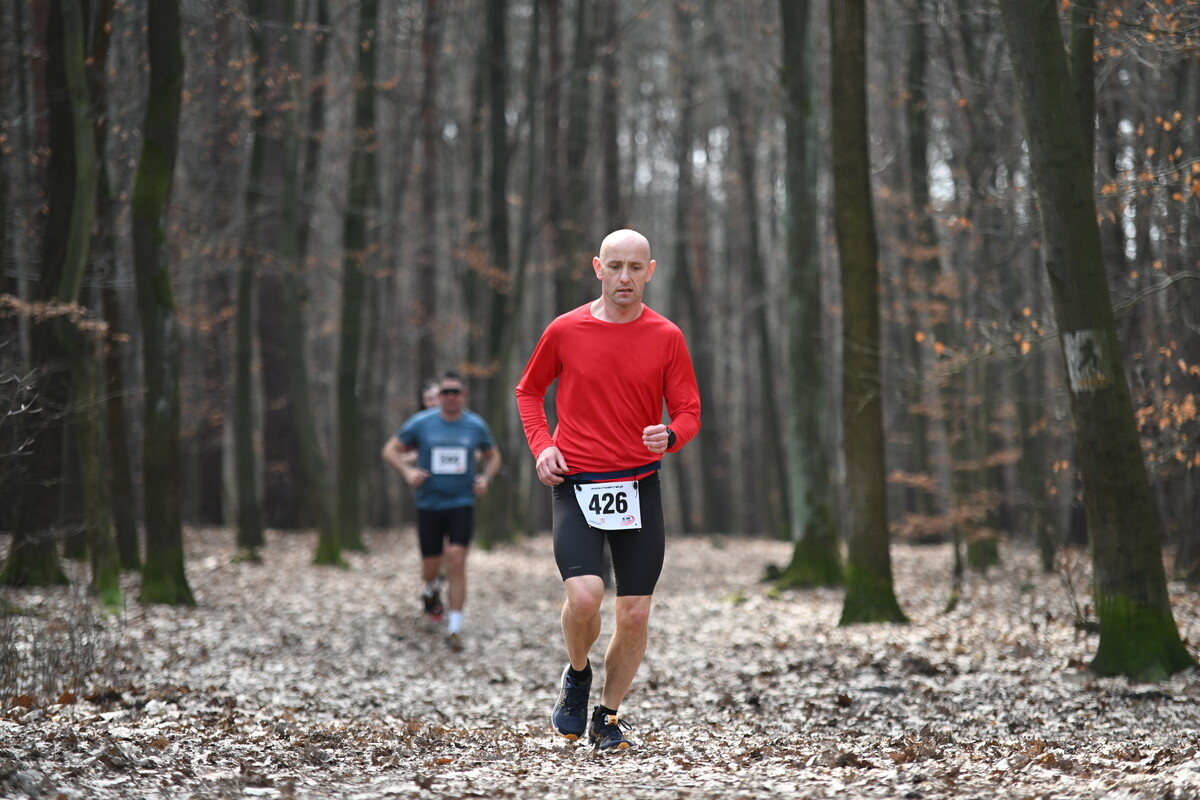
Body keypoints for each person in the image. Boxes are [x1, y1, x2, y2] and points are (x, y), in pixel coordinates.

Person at [515, 229, 700, 750]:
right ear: (597, 267)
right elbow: (529, 391)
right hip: (577, 484)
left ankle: (609, 716)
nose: (625, 277)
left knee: (635, 612)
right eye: (615, 266)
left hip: (639, 485)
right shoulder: (565, 329)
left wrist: (671, 435)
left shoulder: (667, 336)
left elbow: (688, 411)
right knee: (585, 594)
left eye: (635, 268)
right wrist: (542, 445)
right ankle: (577, 676)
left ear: (651, 271)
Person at [382, 371, 501, 652]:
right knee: (430, 568)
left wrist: (486, 478)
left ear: (463, 394)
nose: (449, 396)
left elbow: (493, 456)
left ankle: (455, 628)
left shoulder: (475, 425)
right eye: (445, 391)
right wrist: (408, 471)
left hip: (461, 503)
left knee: (457, 561)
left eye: (455, 391)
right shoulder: (422, 423)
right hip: (429, 504)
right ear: (440, 395)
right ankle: (430, 589)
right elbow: (390, 450)